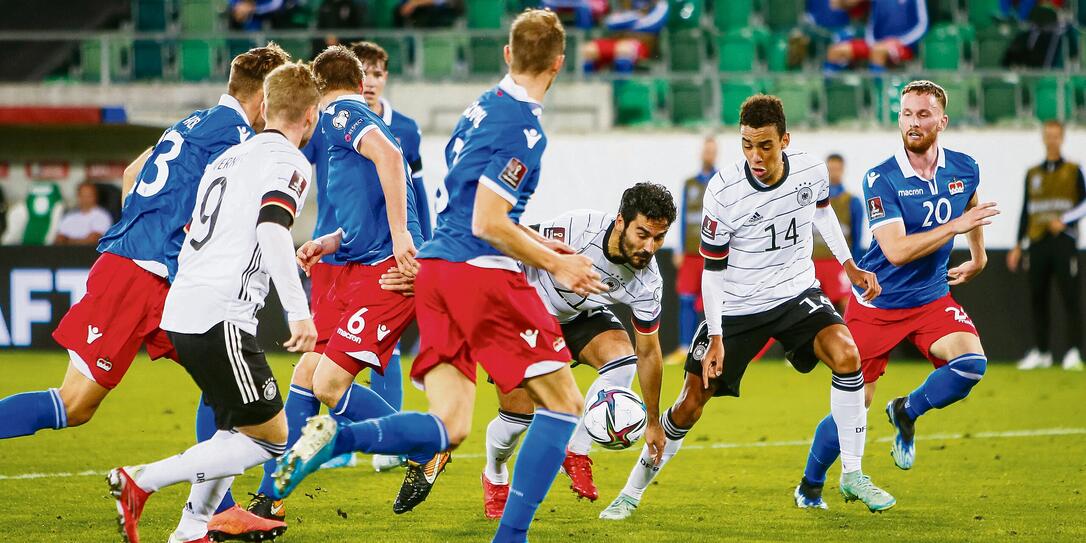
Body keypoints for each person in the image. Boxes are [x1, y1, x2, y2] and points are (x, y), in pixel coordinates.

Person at [271, 11, 605, 543]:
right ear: (560, 64)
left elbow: (473, 206)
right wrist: (557, 263)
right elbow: (488, 222)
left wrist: (538, 241)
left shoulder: (478, 110)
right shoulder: (523, 129)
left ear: (507, 55)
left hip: (439, 274)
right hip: (481, 277)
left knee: (451, 426)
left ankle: (336, 440)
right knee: (565, 406)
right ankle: (510, 536)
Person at [599, 94, 894, 521]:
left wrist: (849, 265)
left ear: (785, 140)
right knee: (688, 406)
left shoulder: (811, 170)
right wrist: (716, 336)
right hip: (737, 307)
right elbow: (712, 272)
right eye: (747, 145)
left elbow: (823, 214)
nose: (755, 156)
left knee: (849, 355)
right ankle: (631, 492)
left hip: (796, 294)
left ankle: (852, 472)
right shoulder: (723, 191)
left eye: (765, 146)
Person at [0, 44, 289, 441]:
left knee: (222, 376)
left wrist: (144, 230)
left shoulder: (190, 124)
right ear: (264, 97)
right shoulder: (239, 139)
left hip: (161, 277)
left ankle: (212, 505)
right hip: (136, 275)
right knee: (75, 403)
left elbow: (133, 172)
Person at [106, 61, 320, 543]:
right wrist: (299, 310)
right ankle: (142, 480)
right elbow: (271, 228)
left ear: (265, 106)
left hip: (184, 308)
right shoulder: (289, 161)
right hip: (222, 314)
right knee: (272, 438)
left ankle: (191, 529)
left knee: (236, 428)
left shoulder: (230, 157)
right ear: (310, 116)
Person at [797, 81, 1001, 507]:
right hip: (878, 303)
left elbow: (970, 203)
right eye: (906, 113)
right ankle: (810, 486)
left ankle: (907, 410)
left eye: (923, 114)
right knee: (854, 406)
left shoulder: (964, 166)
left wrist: (978, 256)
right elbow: (896, 250)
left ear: (942, 121)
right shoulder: (882, 177)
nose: (913, 122)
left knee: (971, 364)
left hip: (930, 298)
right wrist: (955, 231)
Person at [479, 183, 673, 516]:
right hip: (524, 312)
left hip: (578, 316)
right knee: (515, 421)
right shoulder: (577, 228)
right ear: (620, 222)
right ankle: (495, 475)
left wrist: (654, 421)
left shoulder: (648, 280)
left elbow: (649, 354)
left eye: (658, 238)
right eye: (642, 234)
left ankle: (576, 450)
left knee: (624, 361)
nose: (649, 247)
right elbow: (515, 238)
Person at [350, 41, 434, 472]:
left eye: (377, 73)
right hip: (343, 248)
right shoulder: (334, 120)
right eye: (362, 71)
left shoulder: (406, 127)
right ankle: (364, 442)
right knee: (335, 350)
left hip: (389, 246)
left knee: (386, 344)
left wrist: (428, 242)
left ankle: (390, 440)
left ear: (386, 78)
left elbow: (417, 190)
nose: (369, 80)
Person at [1009, 120, 1085, 371]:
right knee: (1037, 298)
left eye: (1056, 136)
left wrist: (1064, 220)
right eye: (1048, 135)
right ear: (1043, 138)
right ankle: (1042, 352)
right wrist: (1018, 244)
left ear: (1062, 138)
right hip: (1038, 242)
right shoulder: (1033, 173)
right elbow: (1026, 210)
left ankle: (1073, 352)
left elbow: (1084, 203)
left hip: (1065, 242)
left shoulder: (1074, 170)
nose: (1051, 140)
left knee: (1070, 297)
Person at [666, 135, 717, 366]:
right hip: (689, 252)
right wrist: (679, 247)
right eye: (706, 150)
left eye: (712, 151)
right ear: (701, 153)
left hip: (712, 251)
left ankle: (710, 346)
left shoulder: (722, 181)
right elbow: (683, 216)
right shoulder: (690, 184)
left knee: (711, 302)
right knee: (686, 300)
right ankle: (685, 346)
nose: (709, 154)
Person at [812, 153, 865, 312]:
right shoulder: (813, 200)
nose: (834, 172)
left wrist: (853, 266)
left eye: (837, 168)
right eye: (831, 169)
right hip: (814, 261)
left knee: (846, 304)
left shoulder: (852, 201)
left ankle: (852, 335)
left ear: (842, 170)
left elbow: (856, 237)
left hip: (838, 262)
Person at [825, 0, 928, 71]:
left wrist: (901, 41)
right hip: (876, 43)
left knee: (878, 51)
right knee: (835, 51)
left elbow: (922, 25)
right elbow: (871, 24)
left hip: (903, 46)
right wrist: (873, 42)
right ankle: (832, 98)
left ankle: (878, 97)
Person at [582, 0, 668, 74]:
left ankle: (622, 90)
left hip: (642, 44)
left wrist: (628, 22)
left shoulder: (662, 4)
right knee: (588, 49)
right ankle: (587, 87)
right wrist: (634, 18)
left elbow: (653, 25)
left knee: (625, 51)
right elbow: (609, 22)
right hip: (617, 40)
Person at [54, 181, 114, 246]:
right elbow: (59, 239)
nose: (86, 199)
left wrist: (68, 240)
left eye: (89, 196)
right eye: (83, 195)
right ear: (78, 196)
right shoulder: (69, 217)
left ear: (95, 196)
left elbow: (94, 240)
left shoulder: (103, 216)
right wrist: (81, 240)